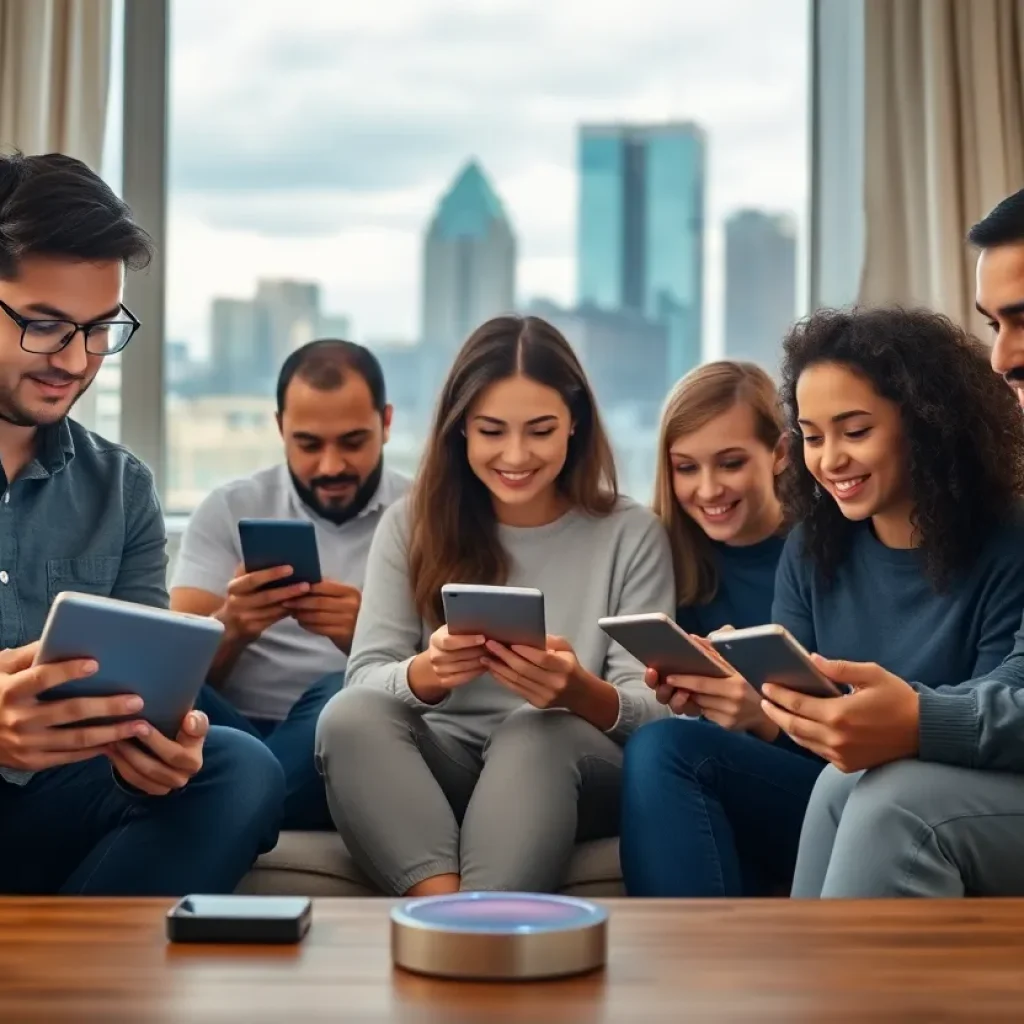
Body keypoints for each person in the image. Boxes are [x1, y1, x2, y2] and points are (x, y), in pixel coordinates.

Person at [0, 152, 284, 895]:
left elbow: (150, 696)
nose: (77, 359)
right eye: (44, 325)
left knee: (237, 766)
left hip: (58, 798)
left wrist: (159, 755)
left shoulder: (121, 488)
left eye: (100, 329)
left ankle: (59, 984)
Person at [315, 314, 676, 896]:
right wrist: (425, 675)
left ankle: (476, 927)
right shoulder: (409, 525)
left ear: (574, 426)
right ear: (461, 431)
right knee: (346, 716)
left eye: (540, 430)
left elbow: (659, 713)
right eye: (491, 431)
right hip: (446, 765)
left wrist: (578, 692)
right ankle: (453, 916)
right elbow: (363, 680)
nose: (515, 454)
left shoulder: (630, 533)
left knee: (533, 730)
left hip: (570, 769)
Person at [788, 195, 1024, 898]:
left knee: (899, 808)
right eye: (994, 325)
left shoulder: (1003, 538)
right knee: (842, 786)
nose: (1003, 356)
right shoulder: (813, 547)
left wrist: (919, 717)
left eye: (1023, 320)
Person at [170, 340, 409, 829]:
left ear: (386, 423)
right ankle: (255, 790)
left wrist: (367, 640)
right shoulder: (229, 508)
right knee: (147, 685)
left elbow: (455, 682)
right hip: (231, 732)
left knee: (344, 690)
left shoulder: (425, 515)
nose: (330, 466)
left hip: (353, 741)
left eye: (352, 441)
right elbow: (172, 677)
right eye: (308, 444)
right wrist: (232, 627)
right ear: (280, 428)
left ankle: (244, 798)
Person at [619, 360, 815, 897]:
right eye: (686, 467)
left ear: (779, 453)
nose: (708, 489)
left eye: (730, 463)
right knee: (665, 746)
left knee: (667, 749)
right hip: (711, 786)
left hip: (815, 783)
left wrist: (760, 716)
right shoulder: (664, 561)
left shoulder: (823, 552)